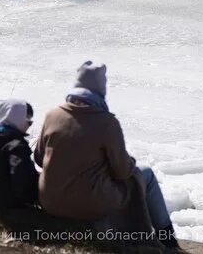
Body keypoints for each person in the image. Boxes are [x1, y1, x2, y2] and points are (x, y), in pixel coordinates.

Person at [33, 61, 179, 249]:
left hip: (51, 202)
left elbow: (39, 158)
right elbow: (122, 171)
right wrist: (129, 161)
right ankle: (168, 241)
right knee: (145, 175)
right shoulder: (107, 123)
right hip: (89, 205)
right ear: (101, 88)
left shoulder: (52, 116)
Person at [0, 98, 40, 211]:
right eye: (28, 121)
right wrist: (34, 197)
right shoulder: (16, 144)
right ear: (17, 119)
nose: (29, 125)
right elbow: (21, 175)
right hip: (15, 204)